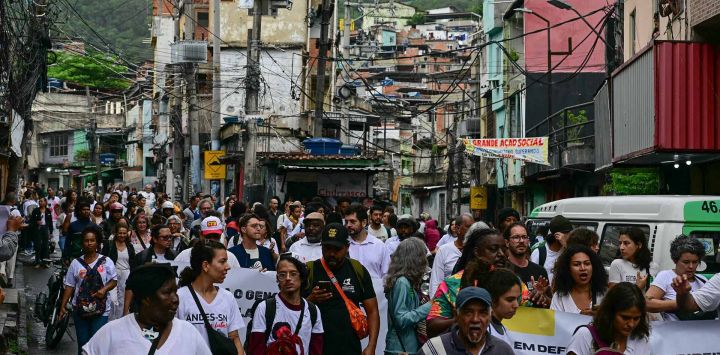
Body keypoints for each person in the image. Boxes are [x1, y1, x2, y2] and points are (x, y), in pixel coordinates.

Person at [82, 263, 212, 355]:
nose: (175, 299)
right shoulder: (112, 332)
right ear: (146, 298)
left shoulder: (188, 332)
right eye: (167, 292)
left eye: (175, 291)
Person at [304, 223, 379, 355]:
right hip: (315, 348)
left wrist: (371, 346)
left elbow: (372, 311)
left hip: (350, 348)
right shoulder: (309, 270)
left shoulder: (358, 270)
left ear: (347, 247)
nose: (331, 253)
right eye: (327, 248)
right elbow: (293, 310)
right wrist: (311, 299)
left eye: (337, 249)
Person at [176, 241, 245, 354]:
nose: (227, 267)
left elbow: (234, 338)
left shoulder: (228, 298)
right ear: (205, 265)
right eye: (222, 261)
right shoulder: (180, 297)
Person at [59, 225, 118, 354]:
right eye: (86, 240)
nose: (89, 243)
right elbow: (70, 285)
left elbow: (113, 280)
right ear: (82, 242)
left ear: (97, 243)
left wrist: (104, 290)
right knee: (83, 342)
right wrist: (63, 306)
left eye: (92, 240)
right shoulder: (75, 263)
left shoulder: (106, 261)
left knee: (96, 342)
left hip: (101, 309)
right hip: (80, 309)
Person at [248, 255, 324, 355]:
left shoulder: (313, 310)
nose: (288, 278)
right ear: (277, 278)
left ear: (301, 277)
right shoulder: (264, 307)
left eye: (293, 274)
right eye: (282, 274)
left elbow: (316, 348)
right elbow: (256, 348)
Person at [418, 287, 514, 355]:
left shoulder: (503, 350)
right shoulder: (435, 349)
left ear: (490, 316)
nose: (475, 319)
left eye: (483, 313)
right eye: (468, 312)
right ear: (456, 316)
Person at [566, 282, 651, 355]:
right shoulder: (585, 335)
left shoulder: (640, 341)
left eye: (636, 318)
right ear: (610, 312)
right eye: (625, 318)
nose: (631, 324)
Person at [647, 235, 712, 321]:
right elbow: (647, 303)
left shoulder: (702, 280)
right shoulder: (665, 276)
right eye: (686, 262)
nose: (691, 266)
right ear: (675, 260)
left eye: (695, 262)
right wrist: (683, 303)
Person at [384, 238, 431, 355]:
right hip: (400, 349)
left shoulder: (405, 281)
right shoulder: (402, 282)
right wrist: (429, 306)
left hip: (403, 346)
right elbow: (401, 320)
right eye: (422, 256)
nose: (424, 261)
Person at [460, 261, 522, 346]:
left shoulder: (503, 330)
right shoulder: (482, 331)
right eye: (510, 300)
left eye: (517, 299)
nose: (516, 305)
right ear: (493, 299)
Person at [550, 244, 608, 315]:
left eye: (587, 264)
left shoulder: (604, 294)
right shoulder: (559, 297)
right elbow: (556, 324)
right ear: (568, 269)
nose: (583, 268)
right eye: (576, 264)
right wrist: (579, 317)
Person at [429, 215, 475, 297]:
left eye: (473, 228)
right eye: (468, 227)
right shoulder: (444, 250)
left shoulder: (477, 250)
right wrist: (436, 303)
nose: (472, 231)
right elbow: (436, 281)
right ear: (457, 229)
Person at [101, 221, 136, 321]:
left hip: (126, 275)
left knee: (123, 299)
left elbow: (133, 262)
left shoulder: (130, 246)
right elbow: (103, 259)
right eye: (120, 233)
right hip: (113, 275)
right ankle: (109, 320)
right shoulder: (110, 244)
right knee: (111, 298)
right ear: (116, 233)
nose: (122, 235)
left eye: (124, 233)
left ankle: (120, 320)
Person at [175, 216, 242, 268]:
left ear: (221, 234)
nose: (212, 240)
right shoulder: (185, 255)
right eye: (208, 236)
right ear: (201, 235)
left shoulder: (230, 257)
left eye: (216, 236)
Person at [343, 205, 389, 279]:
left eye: (352, 221)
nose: (348, 225)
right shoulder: (343, 246)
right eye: (346, 222)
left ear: (364, 222)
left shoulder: (379, 246)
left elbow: (386, 274)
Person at [503, 223, 548, 297]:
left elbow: (550, 303)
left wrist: (542, 296)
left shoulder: (540, 271)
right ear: (507, 242)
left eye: (524, 237)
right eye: (516, 237)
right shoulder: (503, 270)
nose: (521, 241)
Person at [530, 215, 572, 284]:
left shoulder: (567, 250)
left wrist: (566, 245)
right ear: (557, 236)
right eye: (567, 233)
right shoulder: (539, 253)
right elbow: (532, 277)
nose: (570, 236)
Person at [29, 197, 53, 268]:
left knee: (45, 246)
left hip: (45, 228)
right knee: (38, 246)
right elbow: (31, 221)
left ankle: (45, 262)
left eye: (42, 201)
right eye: (39, 201)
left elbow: (50, 222)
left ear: (45, 202)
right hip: (38, 229)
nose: (40, 203)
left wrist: (51, 232)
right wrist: (36, 222)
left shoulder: (48, 211)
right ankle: (37, 261)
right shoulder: (36, 211)